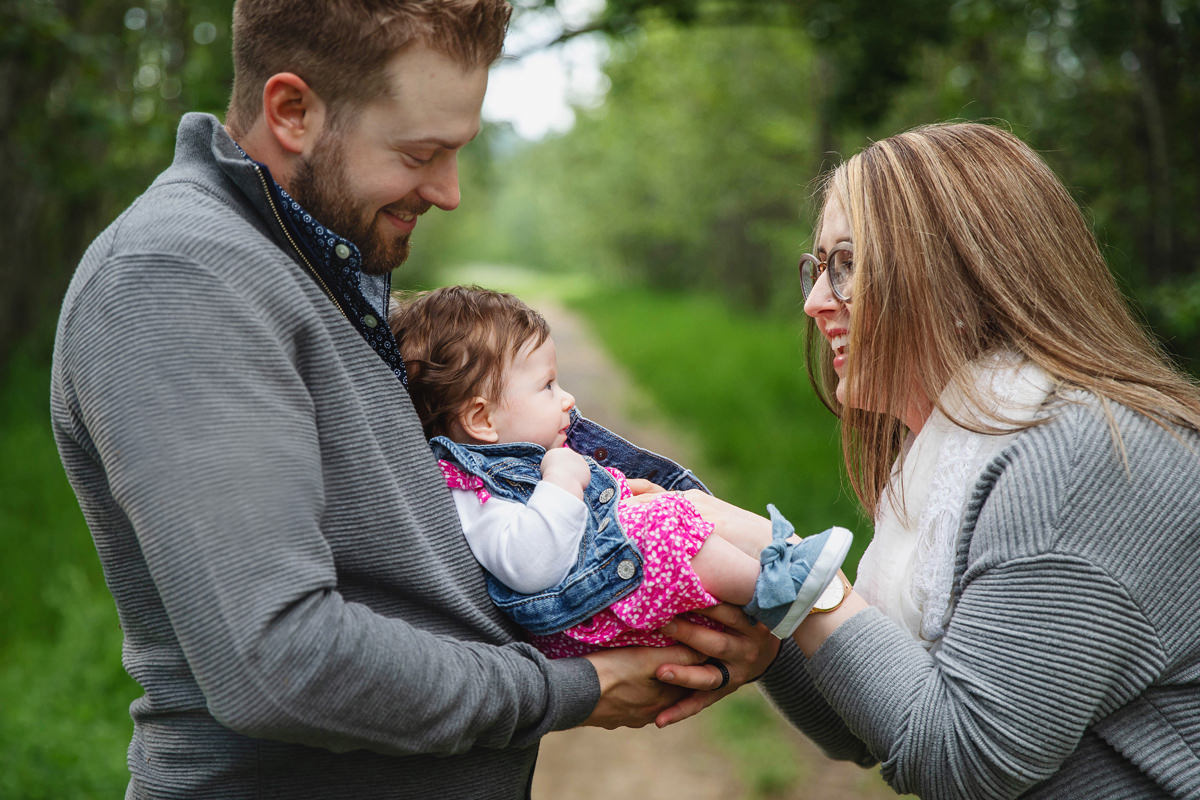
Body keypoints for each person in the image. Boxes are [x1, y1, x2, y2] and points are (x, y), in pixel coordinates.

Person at [48, 3, 773, 797]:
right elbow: (283, 662)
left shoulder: (322, 266)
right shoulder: (177, 279)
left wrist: (738, 615)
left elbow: (461, 550)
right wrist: (577, 689)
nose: (450, 192)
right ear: (293, 111)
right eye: (421, 153)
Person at [654, 122, 1200, 798]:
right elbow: (868, 726)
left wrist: (797, 572)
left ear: (965, 275)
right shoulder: (953, 450)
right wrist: (767, 605)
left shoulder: (1078, 457)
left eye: (847, 265)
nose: (814, 301)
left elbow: (964, 759)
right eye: (818, 266)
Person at [388, 285, 853, 658]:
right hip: (577, 610)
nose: (567, 398)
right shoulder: (470, 491)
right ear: (482, 420)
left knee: (668, 510)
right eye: (547, 386)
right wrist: (563, 482)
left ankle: (768, 579)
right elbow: (530, 566)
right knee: (660, 525)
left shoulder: (517, 461)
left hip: (606, 585)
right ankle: (769, 588)